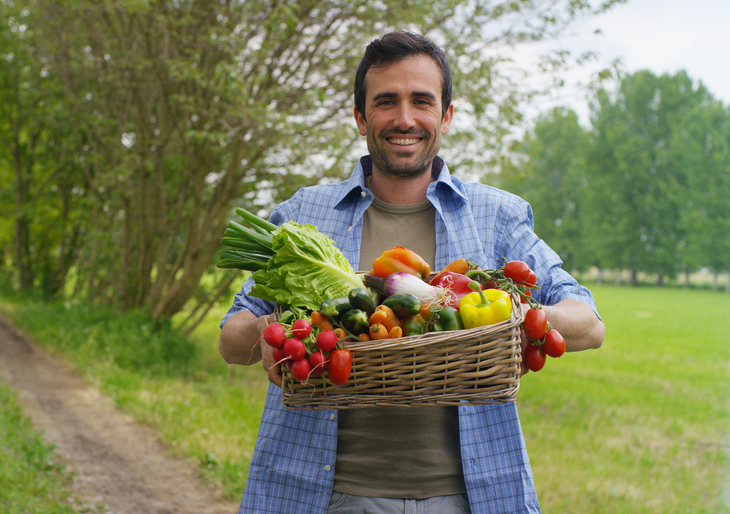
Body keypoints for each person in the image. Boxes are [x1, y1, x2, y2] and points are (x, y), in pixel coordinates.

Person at [218, 31, 605, 514]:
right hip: (317, 493)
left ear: (445, 116)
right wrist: (275, 332)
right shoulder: (304, 214)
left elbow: (589, 323)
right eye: (386, 102)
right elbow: (231, 339)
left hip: (469, 497)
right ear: (361, 117)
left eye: (422, 101)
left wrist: (513, 315)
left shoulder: (495, 215)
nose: (405, 119)